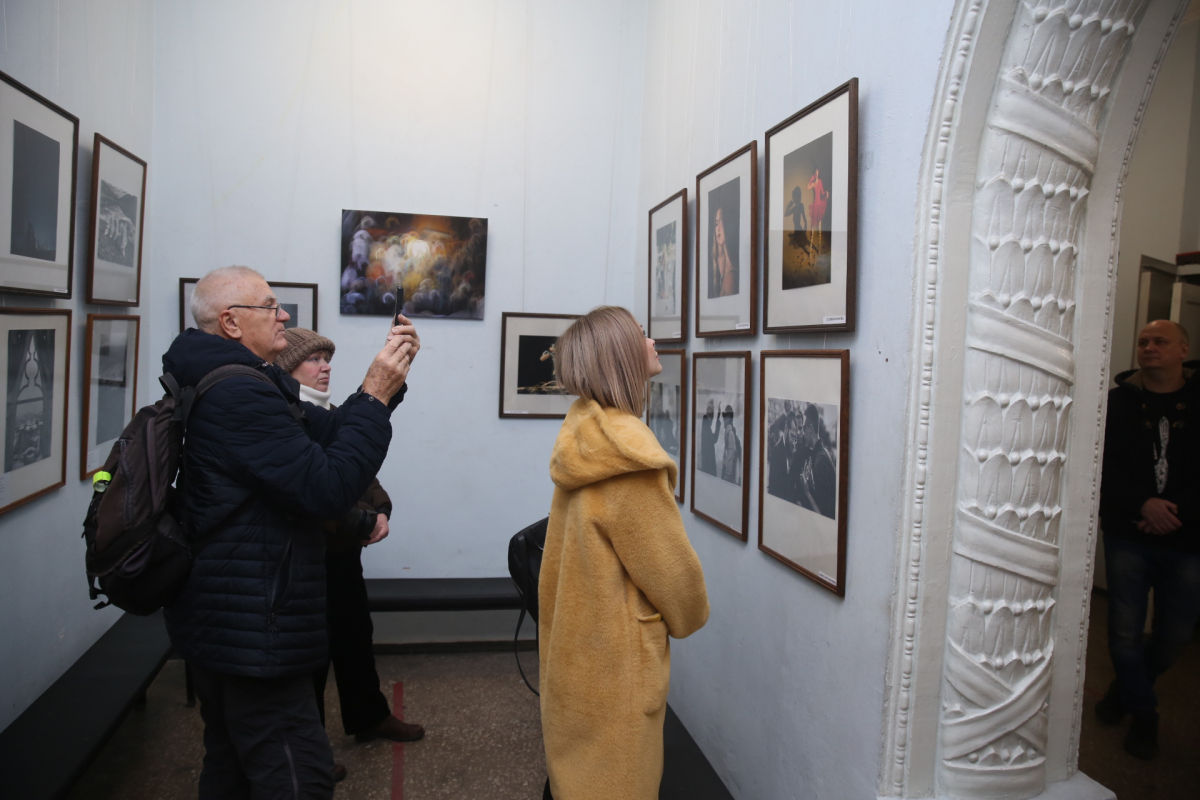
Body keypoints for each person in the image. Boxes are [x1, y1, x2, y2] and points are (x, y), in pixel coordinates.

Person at [162, 266, 419, 799]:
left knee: (232, 766)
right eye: (270, 306)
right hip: (252, 624)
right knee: (296, 774)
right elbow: (326, 487)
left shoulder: (246, 381)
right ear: (231, 322)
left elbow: (329, 432)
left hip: (232, 616)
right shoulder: (239, 393)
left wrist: (384, 382)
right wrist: (373, 395)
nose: (283, 315)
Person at [539, 306, 709, 800]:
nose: (652, 341)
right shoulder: (630, 457)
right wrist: (689, 614)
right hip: (615, 665)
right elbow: (673, 580)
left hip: (578, 649)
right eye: (640, 335)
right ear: (620, 355)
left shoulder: (585, 434)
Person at [273, 329, 426, 775]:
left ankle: (368, 716)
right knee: (312, 657)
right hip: (306, 558)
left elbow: (359, 471)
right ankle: (311, 751)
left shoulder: (327, 413)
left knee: (355, 638)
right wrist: (363, 520)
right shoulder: (286, 417)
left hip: (341, 555)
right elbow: (314, 493)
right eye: (314, 360)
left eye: (327, 358)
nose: (325, 367)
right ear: (286, 367)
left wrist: (380, 508)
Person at [1097, 319, 1199, 760]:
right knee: (1124, 630)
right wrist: (1143, 505)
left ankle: (1123, 690)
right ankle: (1145, 715)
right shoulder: (1116, 404)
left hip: (1188, 536)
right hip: (1128, 533)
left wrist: (1172, 513)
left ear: (1183, 349)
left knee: (1175, 635)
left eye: (1160, 341)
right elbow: (1100, 464)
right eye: (1143, 342)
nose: (1149, 348)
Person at [798, 404, 837, 519]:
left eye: (803, 428)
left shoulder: (819, 462)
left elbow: (824, 516)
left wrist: (807, 492)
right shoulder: (823, 452)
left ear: (810, 428)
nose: (802, 432)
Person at [709, 206, 736, 298]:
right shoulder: (724, 271)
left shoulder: (731, 276)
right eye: (716, 223)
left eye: (721, 221)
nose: (718, 228)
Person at [719, 404, 742, 485]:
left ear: (728, 417)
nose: (723, 419)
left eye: (724, 417)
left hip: (729, 476)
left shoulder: (730, 433)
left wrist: (726, 477)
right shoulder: (728, 432)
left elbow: (730, 456)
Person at [699, 399, 719, 476]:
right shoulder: (706, 425)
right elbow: (714, 439)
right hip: (708, 463)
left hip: (707, 462)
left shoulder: (706, 426)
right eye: (711, 413)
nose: (712, 416)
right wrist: (717, 421)